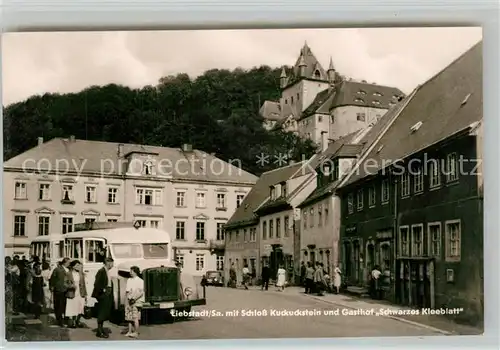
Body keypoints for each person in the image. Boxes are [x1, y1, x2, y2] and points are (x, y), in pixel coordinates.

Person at [92, 257, 114, 338]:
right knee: (102, 312)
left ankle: (100, 330)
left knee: (105, 312)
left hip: (107, 294)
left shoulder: (107, 271)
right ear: (108, 262)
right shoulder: (101, 271)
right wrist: (103, 290)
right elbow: (97, 283)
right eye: (112, 263)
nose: (112, 265)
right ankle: (99, 331)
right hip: (103, 295)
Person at [65, 260, 87, 328]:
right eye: (77, 265)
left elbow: (83, 284)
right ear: (73, 266)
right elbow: (64, 283)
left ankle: (78, 321)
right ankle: (73, 322)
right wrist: (71, 286)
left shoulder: (81, 274)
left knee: (80, 307)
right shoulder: (68, 273)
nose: (78, 267)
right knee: (73, 307)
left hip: (80, 293)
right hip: (72, 293)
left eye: (79, 265)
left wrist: (85, 294)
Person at [50, 258, 71, 327]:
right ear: (64, 262)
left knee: (66, 305)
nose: (69, 263)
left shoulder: (69, 269)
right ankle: (59, 320)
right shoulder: (57, 269)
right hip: (59, 289)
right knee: (59, 305)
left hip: (67, 290)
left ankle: (66, 319)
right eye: (68, 262)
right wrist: (52, 287)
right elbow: (52, 279)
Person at [125, 266, 144, 338]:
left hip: (136, 301)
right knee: (129, 317)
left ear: (135, 272)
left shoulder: (140, 281)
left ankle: (136, 332)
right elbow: (127, 291)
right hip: (129, 300)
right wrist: (128, 299)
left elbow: (141, 292)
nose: (130, 273)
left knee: (135, 317)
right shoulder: (129, 280)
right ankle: (129, 331)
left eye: (131, 271)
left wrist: (134, 299)